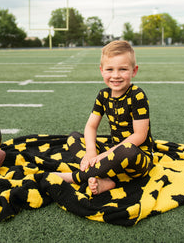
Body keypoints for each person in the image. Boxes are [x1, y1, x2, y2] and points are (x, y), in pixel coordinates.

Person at [54, 40, 154, 195]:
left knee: (127, 150)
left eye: (123, 69)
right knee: (74, 137)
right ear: (101, 70)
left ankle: (77, 176)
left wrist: (105, 155)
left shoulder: (137, 95)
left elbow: (140, 136)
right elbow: (91, 126)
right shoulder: (103, 95)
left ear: (134, 71)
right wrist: (92, 152)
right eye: (110, 69)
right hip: (112, 153)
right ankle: (105, 179)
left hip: (137, 158)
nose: (116, 75)